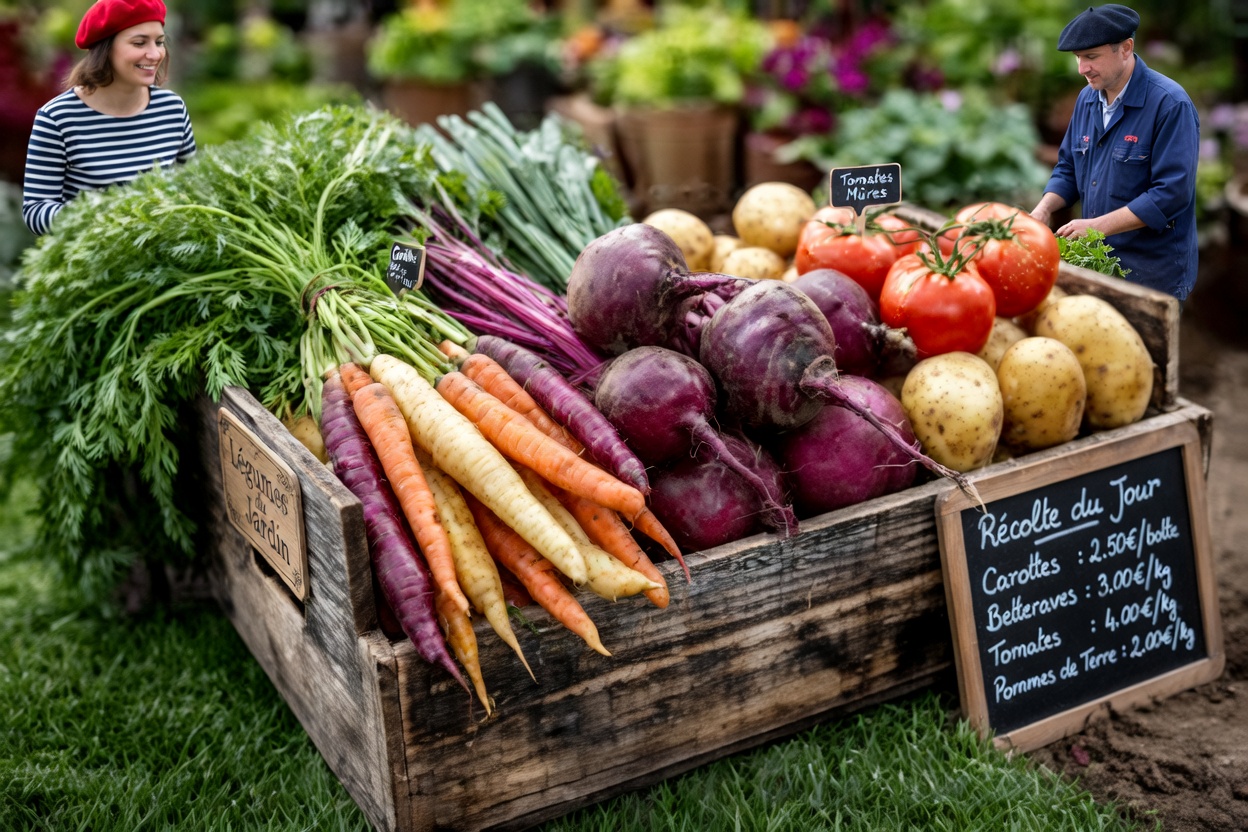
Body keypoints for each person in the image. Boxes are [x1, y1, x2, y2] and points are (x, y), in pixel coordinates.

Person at [1030, 4, 1200, 302]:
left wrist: (1096, 227)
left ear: (1126, 48)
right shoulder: (1087, 99)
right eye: (1079, 58)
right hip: (1099, 263)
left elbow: (1171, 193)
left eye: (1092, 57)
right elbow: (1068, 166)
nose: (1082, 68)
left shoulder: (1170, 105)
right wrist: (1044, 209)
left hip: (1152, 276)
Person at [21, 0, 196, 236]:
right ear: (106, 48)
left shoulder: (172, 109)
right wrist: (101, 217)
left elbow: (195, 184)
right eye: (139, 42)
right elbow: (36, 209)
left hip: (164, 259)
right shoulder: (57, 119)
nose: (155, 54)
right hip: (93, 261)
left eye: (160, 42)